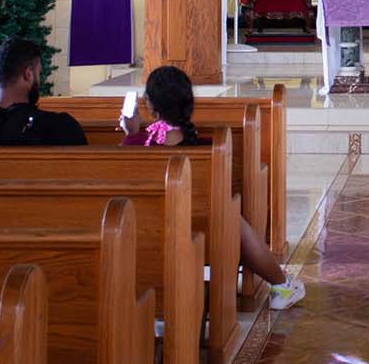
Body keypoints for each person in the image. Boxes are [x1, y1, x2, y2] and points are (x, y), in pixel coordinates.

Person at [120, 65, 305, 311]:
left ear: (150, 105)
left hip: (141, 229)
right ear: (188, 104)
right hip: (197, 229)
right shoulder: (207, 146)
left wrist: (130, 133)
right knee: (231, 216)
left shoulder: (134, 143)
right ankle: (281, 285)